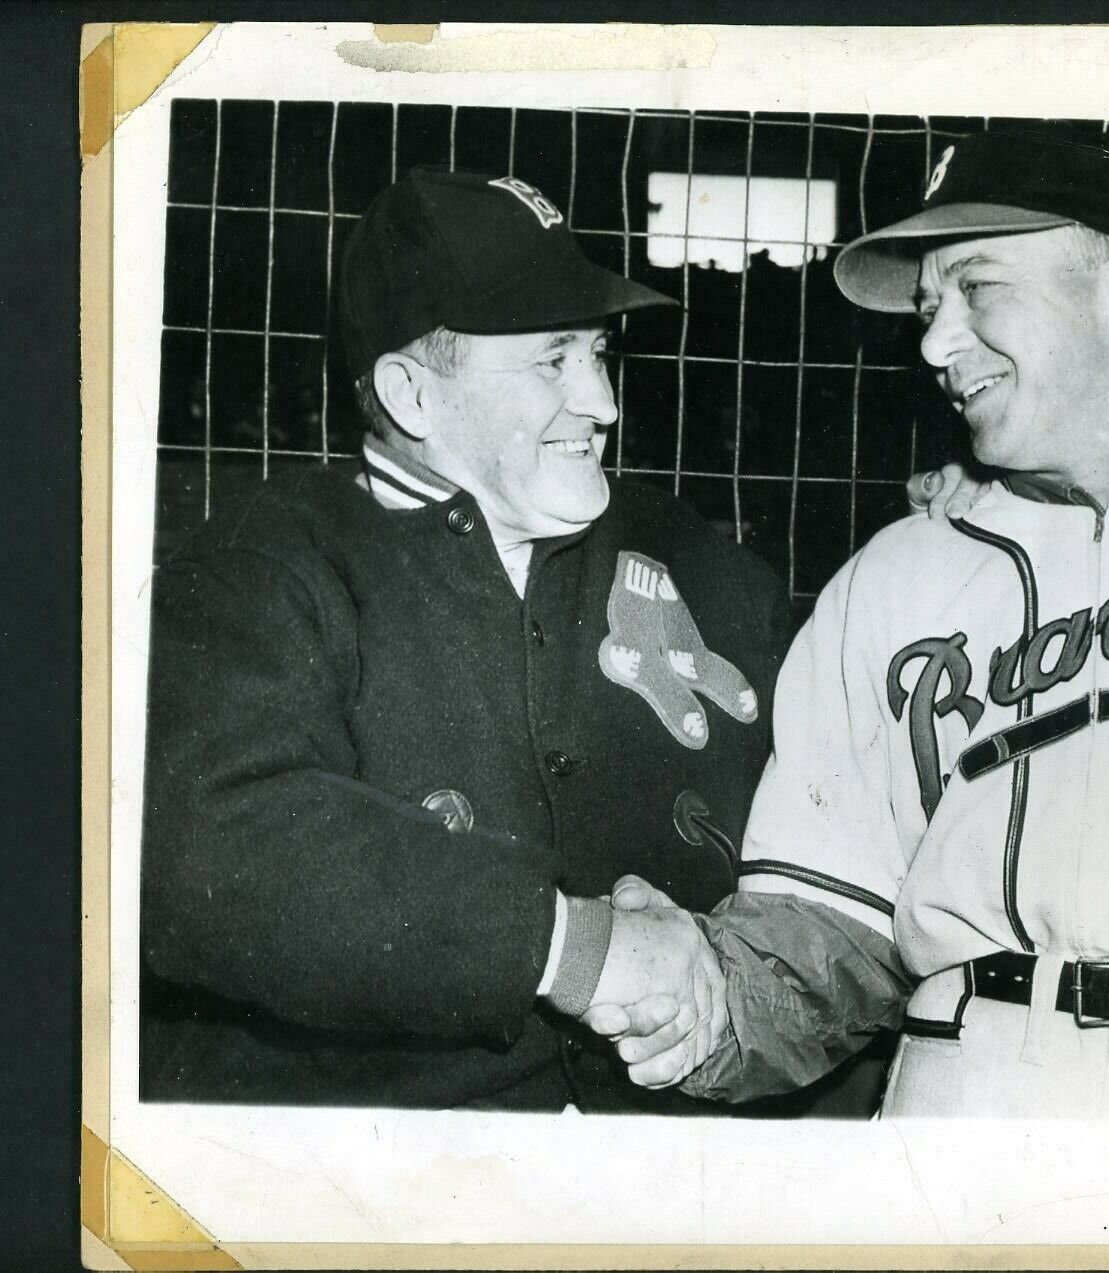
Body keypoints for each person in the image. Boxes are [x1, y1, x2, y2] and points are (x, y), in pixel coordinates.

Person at [588, 130, 1109, 1128]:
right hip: (965, 1101)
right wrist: (694, 998)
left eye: (977, 285)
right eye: (927, 308)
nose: (931, 344)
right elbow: (828, 927)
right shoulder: (891, 579)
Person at [139, 167, 806, 1112]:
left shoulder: (705, 566)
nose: (603, 402)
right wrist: (575, 949)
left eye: (600, 352)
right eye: (552, 360)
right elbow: (205, 846)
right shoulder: (264, 565)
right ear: (412, 395)